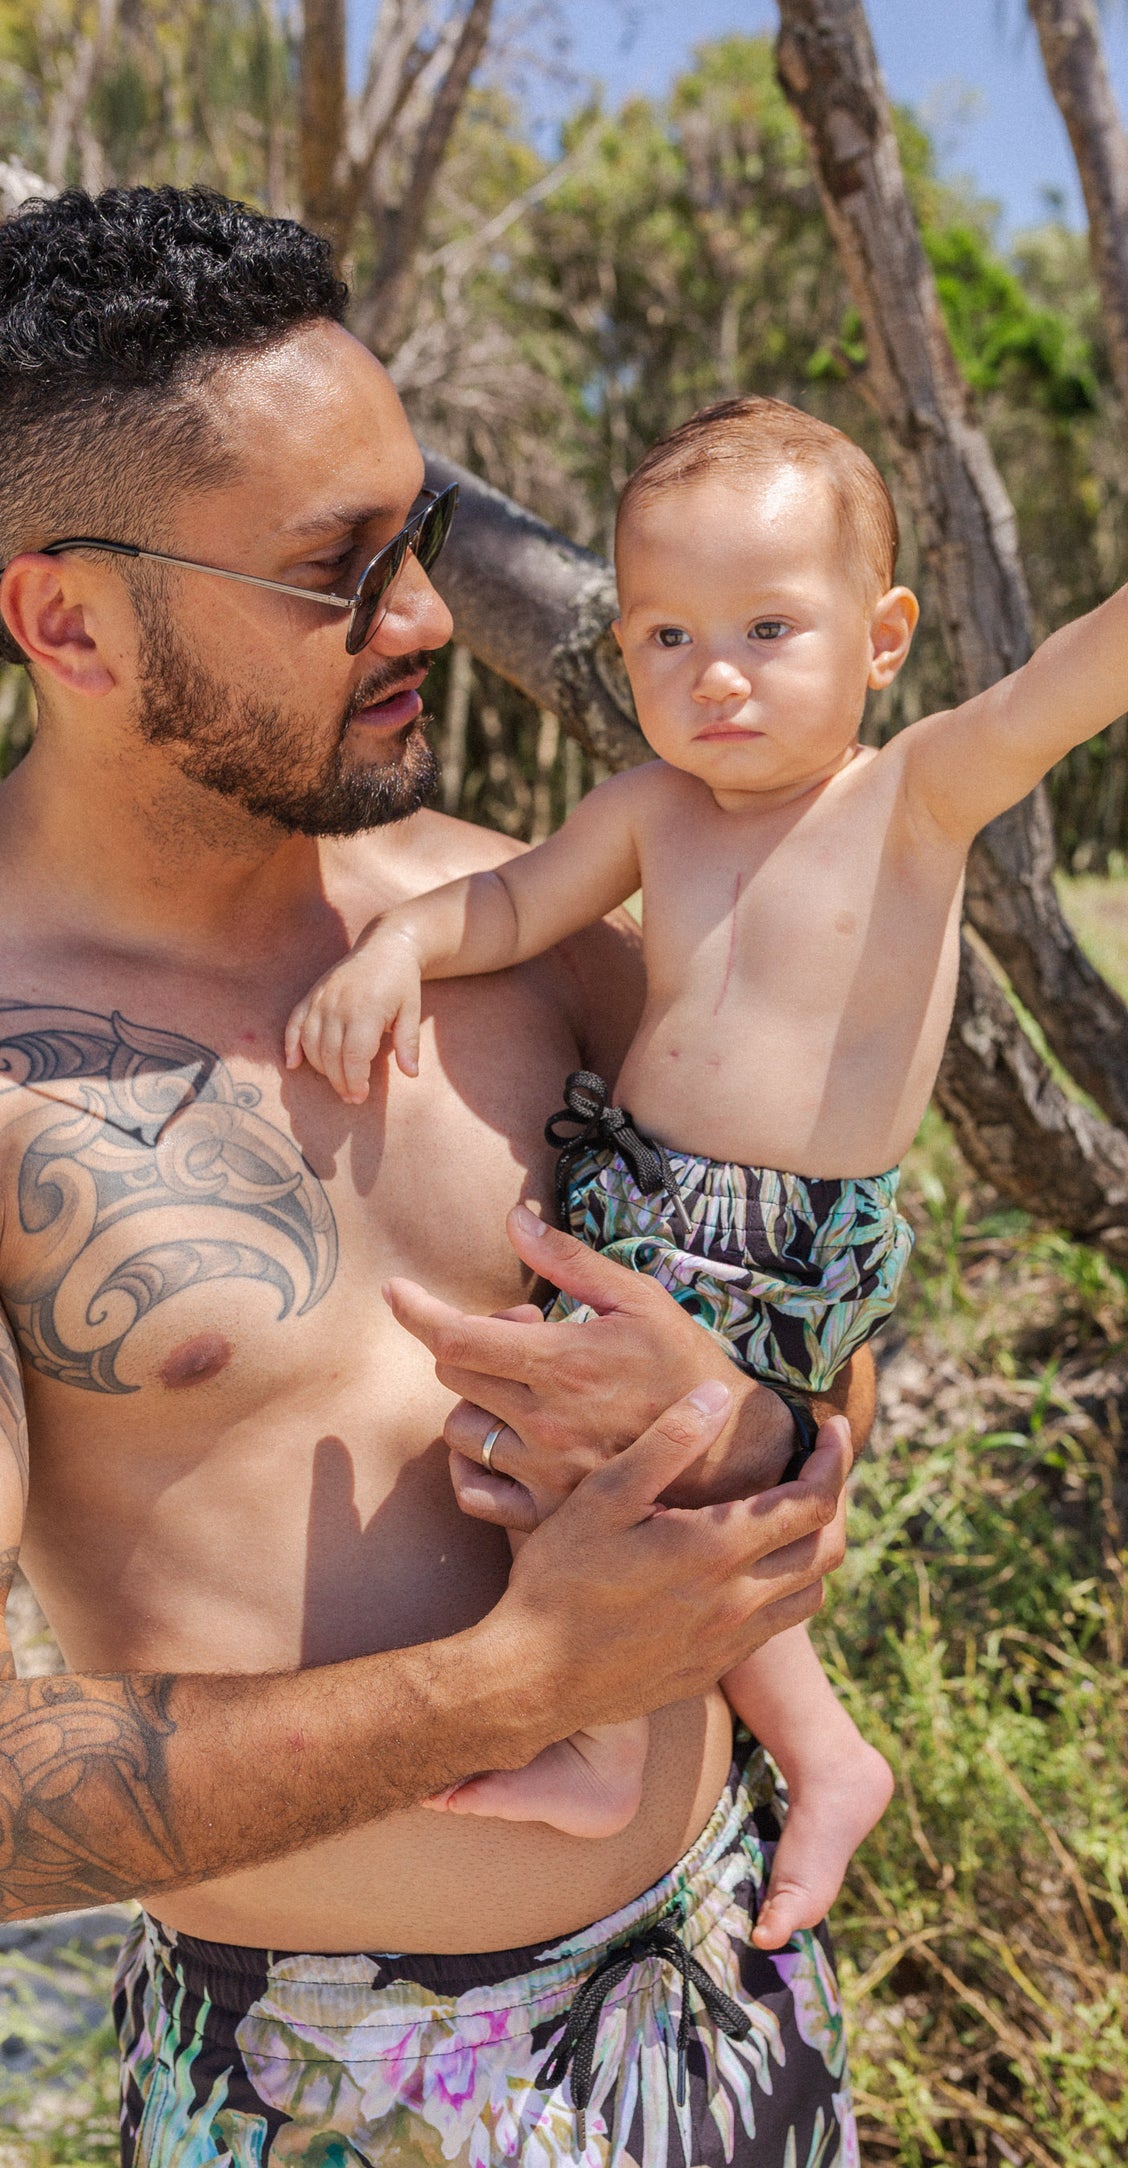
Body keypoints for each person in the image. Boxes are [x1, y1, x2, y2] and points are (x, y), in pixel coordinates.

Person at [0, 187, 868, 2167]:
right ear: (70, 620)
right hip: (316, 2092)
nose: (419, 619)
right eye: (333, 575)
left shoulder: (522, 915)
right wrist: (520, 1683)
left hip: (724, 1986)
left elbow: (809, 1329)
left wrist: (750, 1423)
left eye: (415, 541)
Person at [287, 394, 1128, 1945]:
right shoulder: (650, 812)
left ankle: (631, 1752)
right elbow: (516, 904)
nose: (717, 675)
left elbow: (1037, 705)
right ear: (624, 661)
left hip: (789, 1238)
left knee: (634, 1482)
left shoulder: (904, 801)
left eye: (764, 627)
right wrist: (404, 941)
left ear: (879, 642)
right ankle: (804, 1746)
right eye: (668, 638)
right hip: (644, 1201)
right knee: (586, 1472)